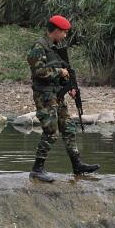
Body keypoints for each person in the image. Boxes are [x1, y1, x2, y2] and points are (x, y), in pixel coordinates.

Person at [26, 15, 99, 182]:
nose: (65, 36)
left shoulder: (56, 48)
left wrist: (70, 86)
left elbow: (64, 70)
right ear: (56, 31)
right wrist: (60, 72)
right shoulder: (39, 47)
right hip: (45, 95)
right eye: (64, 32)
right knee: (50, 131)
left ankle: (77, 164)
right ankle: (37, 169)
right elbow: (38, 72)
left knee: (68, 128)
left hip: (57, 95)